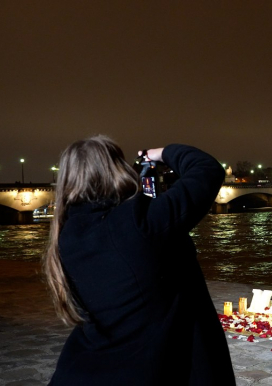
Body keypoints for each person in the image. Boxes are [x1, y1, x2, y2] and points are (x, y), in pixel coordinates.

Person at [43, 135, 236, 385]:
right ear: (117, 168)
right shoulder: (140, 222)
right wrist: (162, 152)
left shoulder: (67, 234)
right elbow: (206, 168)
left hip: (88, 369)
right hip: (158, 368)